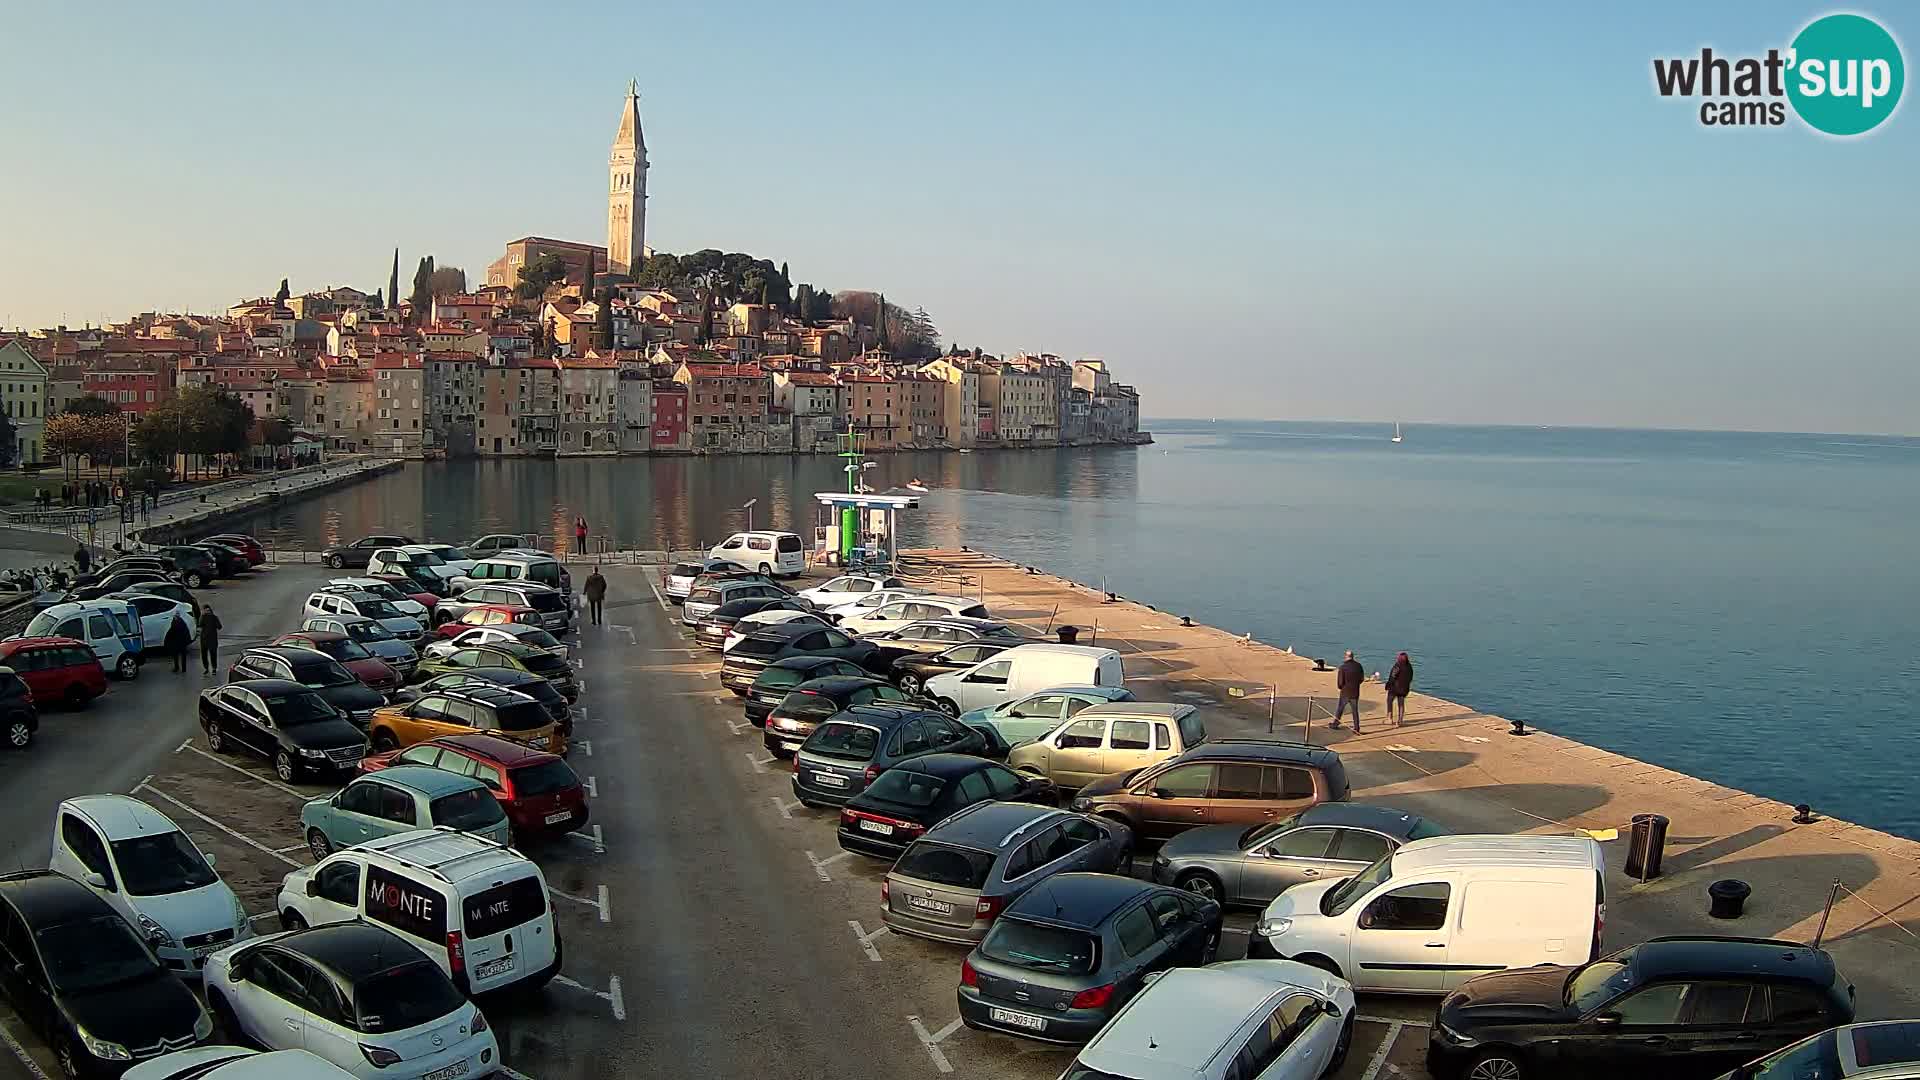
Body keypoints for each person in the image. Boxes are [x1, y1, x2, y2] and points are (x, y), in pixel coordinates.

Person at [1331, 650, 1365, 731]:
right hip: (1355, 691)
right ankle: (1356, 727)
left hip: (1345, 692)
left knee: (1340, 708)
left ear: (1346, 656)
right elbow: (1361, 678)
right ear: (1353, 657)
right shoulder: (1358, 666)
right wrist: (1356, 684)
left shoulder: (1343, 667)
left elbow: (1340, 682)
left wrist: (1341, 687)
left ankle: (1335, 724)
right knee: (1355, 710)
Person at [1385, 651, 1414, 725]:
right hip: (1404, 689)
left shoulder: (1397, 666)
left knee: (1389, 701)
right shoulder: (1409, 667)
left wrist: (1388, 685)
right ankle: (1400, 720)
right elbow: (1410, 678)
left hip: (1394, 688)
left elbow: (1392, 676)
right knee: (1401, 704)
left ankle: (1390, 718)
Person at [199, 604, 222, 675]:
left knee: (213, 655)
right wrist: (202, 616)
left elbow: (219, 627)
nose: (207, 612)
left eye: (208, 610)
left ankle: (214, 668)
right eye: (205, 610)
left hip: (212, 640)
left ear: (210, 610)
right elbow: (200, 624)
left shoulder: (214, 617)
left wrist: (216, 623)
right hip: (204, 639)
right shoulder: (203, 617)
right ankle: (206, 668)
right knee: (204, 655)